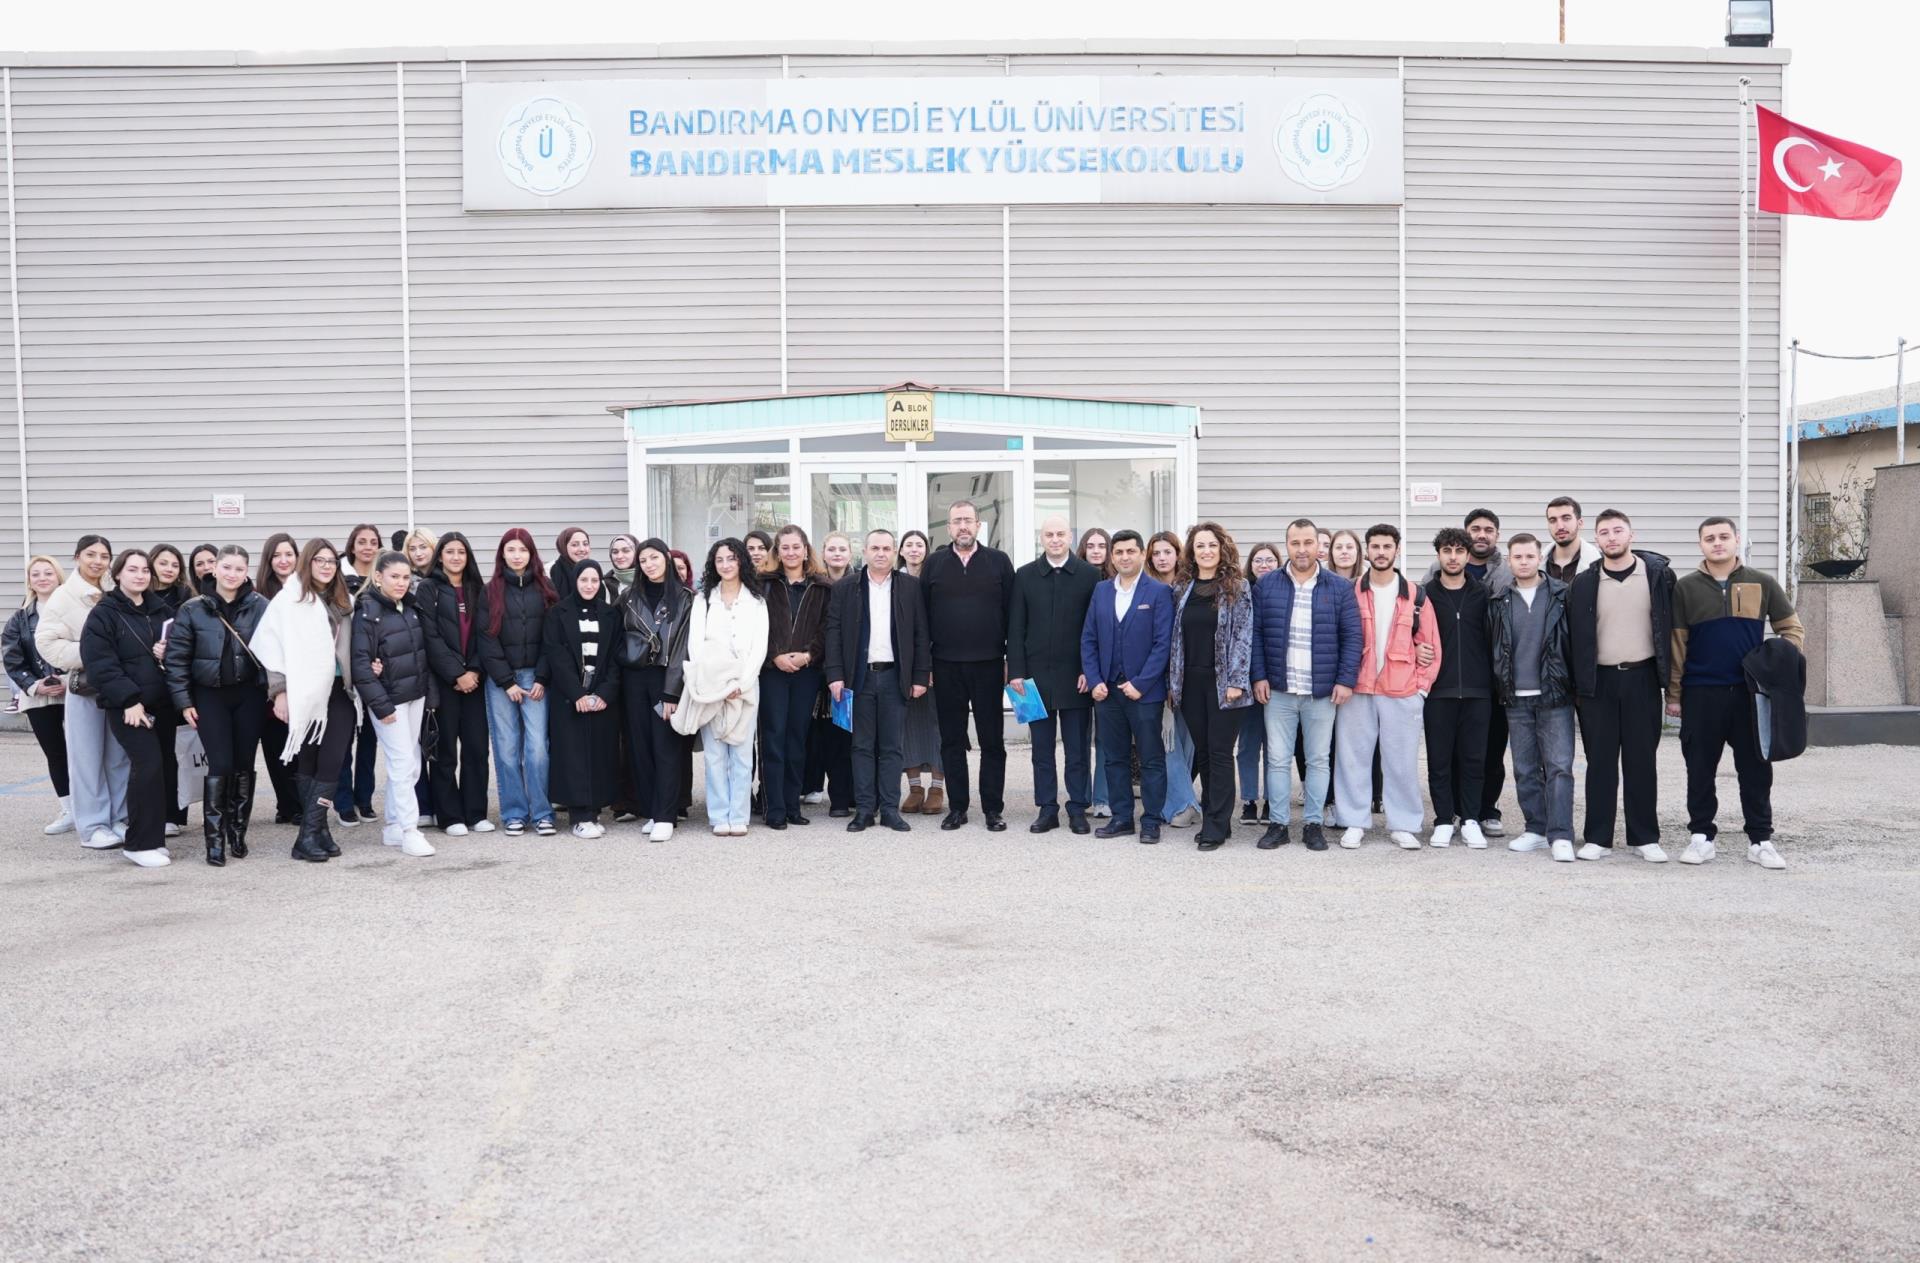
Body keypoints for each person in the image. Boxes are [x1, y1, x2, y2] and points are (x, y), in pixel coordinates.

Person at [1669, 516, 1804, 870]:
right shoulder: (1685, 588)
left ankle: (1760, 841)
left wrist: (1777, 664)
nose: (1717, 543)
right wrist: (1674, 694)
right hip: (1701, 693)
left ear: (1736, 539)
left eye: (1723, 536)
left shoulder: (1762, 582)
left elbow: (1791, 629)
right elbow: (1678, 645)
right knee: (1699, 769)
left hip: (1750, 695)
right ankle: (1701, 837)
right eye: (1709, 538)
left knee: (1756, 769)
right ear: (1700, 544)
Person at [1566, 509, 1676, 863]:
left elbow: (1673, 629)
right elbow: (1573, 639)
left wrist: (1673, 684)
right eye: (1604, 532)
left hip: (1643, 678)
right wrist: (1578, 686)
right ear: (1596, 539)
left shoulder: (1658, 576)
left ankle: (1645, 837)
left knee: (1641, 760)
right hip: (1598, 682)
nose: (1611, 537)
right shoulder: (1584, 583)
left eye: (1617, 530)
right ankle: (1597, 837)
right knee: (1600, 762)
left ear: (1631, 535)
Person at [1250, 519, 1362, 852]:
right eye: (1295, 543)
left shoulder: (1338, 587)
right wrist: (1258, 676)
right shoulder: (1266, 585)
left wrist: (1345, 680)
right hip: (1279, 690)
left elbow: (1352, 637)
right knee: (1277, 760)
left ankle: (1313, 824)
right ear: (1287, 545)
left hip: (1321, 691)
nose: (1301, 549)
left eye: (1307, 542)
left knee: (1318, 760)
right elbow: (1255, 635)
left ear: (1318, 546)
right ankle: (1278, 825)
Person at [1334, 524, 1441, 850]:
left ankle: (1404, 824)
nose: (1381, 552)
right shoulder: (1350, 591)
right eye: (1375, 546)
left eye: (1387, 546)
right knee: (1352, 758)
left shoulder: (1416, 595)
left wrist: (1420, 690)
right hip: (1358, 688)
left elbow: (1431, 646)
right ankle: (1354, 821)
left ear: (1397, 550)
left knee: (1402, 761)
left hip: (1402, 691)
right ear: (1367, 551)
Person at [251, 538, 356, 863]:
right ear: (307, 562)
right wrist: (279, 692)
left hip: (338, 690)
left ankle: (314, 830)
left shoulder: (342, 600)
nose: (326, 566)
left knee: (332, 760)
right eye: (319, 560)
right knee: (309, 760)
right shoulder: (290, 599)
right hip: (305, 691)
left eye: (331, 561)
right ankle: (311, 834)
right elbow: (271, 647)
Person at [163, 544, 268, 866]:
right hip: (209, 695)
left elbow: (274, 653)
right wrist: (183, 701)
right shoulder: (193, 608)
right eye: (226, 567)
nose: (232, 574)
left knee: (243, 764)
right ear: (215, 569)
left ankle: (238, 832)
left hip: (249, 695)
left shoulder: (261, 606)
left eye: (239, 569)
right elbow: (177, 658)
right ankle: (215, 839)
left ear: (246, 572)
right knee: (220, 764)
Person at [922, 500, 1017, 832]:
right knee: (951, 741)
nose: (962, 526)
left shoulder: (999, 562)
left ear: (978, 525)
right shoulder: (934, 564)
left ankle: (992, 808)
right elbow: (922, 619)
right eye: (956, 521)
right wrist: (925, 665)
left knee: (992, 741)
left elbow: (1013, 615)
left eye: (968, 520)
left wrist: (1011, 660)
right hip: (945, 665)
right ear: (948, 528)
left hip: (989, 664)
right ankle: (958, 808)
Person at [827, 529, 930, 833]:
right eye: (875, 548)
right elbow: (833, 632)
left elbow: (921, 633)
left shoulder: (910, 587)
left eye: (886, 548)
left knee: (892, 748)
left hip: (895, 677)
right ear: (865, 551)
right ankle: (863, 810)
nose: (881, 553)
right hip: (858, 678)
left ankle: (889, 810)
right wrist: (835, 674)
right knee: (860, 746)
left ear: (895, 552)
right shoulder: (846, 587)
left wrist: (920, 676)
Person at [79, 549, 177, 868]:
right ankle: (138, 844)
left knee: (160, 768)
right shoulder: (104, 614)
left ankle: (154, 839)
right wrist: (129, 700)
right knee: (147, 765)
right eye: (132, 569)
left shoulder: (161, 611)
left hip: (161, 703)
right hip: (128, 706)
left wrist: (166, 652)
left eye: (145, 570)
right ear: (118, 574)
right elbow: (100, 664)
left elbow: (179, 653)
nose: (140, 575)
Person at [1080, 529, 1175, 843]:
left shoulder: (1158, 592)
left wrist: (1142, 683)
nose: (1124, 557)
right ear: (1112, 556)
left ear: (1142, 554)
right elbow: (1088, 639)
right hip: (1107, 691)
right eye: (1118, 552)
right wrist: (1095, 680)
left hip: (1144, 693)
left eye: (1130, 551)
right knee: (1114, 757)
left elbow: (1163, 644)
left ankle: (1151, 820)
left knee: (1151, 758)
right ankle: (1122, 817)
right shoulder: (1101, 591)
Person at [1423, 508, 1513, 839]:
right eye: (1447, 550)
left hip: (1479, 691)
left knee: (1475, 759)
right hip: (1439, 691)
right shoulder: (1426, 596)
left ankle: (1471, 819)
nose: (1453, 556)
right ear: (1439, 555)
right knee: (1440, 760)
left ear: (1466, 554)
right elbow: (1413, 635)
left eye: (1459, 550)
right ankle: (1444, 820)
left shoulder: (1483, 595)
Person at [1008, 515, 1100, 834]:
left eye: (1061, 534)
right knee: (1041, 750)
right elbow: (1015, 627)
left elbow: (1095, 628)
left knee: (1077, 750)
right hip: (1033, 680)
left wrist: (1090, 671)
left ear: (1070, 537)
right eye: (1049, 534)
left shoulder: (1090, 575)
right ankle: (1047, 808)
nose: (1055, 539)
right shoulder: (1025, 575)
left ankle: (1078, 808)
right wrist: (1016, 672)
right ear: (1042, 539)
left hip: (1077, 678)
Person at [38, 535, 130, 851]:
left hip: (117, 687)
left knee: (118, 757)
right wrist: (92, 654)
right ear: (77, 557)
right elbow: (46, 642)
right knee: (87, 759)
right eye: (91, 554)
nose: (97, 561)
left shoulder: (113, 592)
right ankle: (92, 826)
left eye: (104, 556)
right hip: (85, 687)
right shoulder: (63, 596)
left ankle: (118, 818)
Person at [1489, 534, 1577, 861]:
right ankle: (1536, 829)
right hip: (1516, 696)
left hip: (1554, 694)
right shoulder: (1498, 600)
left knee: (1559, 767)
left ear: (1540, 558)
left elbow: (1574, 643)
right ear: (1509, 560)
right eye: (1518, 557)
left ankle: (1561, 834)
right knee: (1525, 768)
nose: (1524, 562)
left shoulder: (1562, 595)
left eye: (1529, 556)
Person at [672, 539, 768, 836]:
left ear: (741, 562)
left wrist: (743, 682)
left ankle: (738, 815)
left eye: (731, 558)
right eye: (720, 560)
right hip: (710, 686)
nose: (726, 565)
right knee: (714, 755)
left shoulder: (756, 600)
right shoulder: (703, 600)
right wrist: (711, 682)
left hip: (744, 686)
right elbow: (695, 645)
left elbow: (759, 646)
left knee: (741, 753)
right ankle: (718, 815)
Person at [1170, 522, 1254, 850]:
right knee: (1203, 754)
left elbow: (1243, 636)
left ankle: (1215, 827)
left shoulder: (1237, 587)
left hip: (1224, 685)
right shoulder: (1182, 588)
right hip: (1190, 683)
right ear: (1192, 552)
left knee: (1220, 753)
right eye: (1200, 546)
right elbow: (1175, 639)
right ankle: (1215, 819)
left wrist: (1237, 680)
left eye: (1212, 545)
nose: (1206, 551)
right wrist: (1173, 683)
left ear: (1222, 549)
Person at [352, 550, 435, 857]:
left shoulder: (410, 607)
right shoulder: (367, 611)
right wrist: (381, 705)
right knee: (402, 764)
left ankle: (393, 827)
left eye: (406, 577)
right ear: (378, 577)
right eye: (394, 577)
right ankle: (410, 831)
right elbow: (361, 664)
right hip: (389, 701)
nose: (401, 583)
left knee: (410, 763)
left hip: (415, 696)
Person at [481, 528, 558, 837]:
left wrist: (542, 676)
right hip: (502, 681)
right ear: (502, 554)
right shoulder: (490, 591)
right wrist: (506, 681)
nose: (516, 555)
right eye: (510, 550)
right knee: (507, 747)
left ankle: (542, 813)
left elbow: (553, 638)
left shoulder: (546, 588)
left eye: (522, 550)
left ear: (531, 553)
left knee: (538, 747)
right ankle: (514, 812)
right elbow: (486, 639)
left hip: (536, 678)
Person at [616, 538, 693, 842]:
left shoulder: (686, 598)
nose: (649, 564)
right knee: (640, 747)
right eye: (643, 560)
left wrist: (672, 692)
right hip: (634, 678)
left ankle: (666, 815)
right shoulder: (628, 597)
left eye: (654, 558)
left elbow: (683, 648)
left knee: (666, 747)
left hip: (667, 678)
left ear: (666, 559)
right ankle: (651, 810)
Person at [540, 558, 621, 838]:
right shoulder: (558, 613)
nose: (589, 585)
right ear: (575, 581)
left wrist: (604, 693)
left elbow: (616, 658)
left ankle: (594, 812)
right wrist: (577, 693)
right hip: (570, 697)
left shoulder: (610, 614)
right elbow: (557, 656)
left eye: (594, 580)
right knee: (572, 755)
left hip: (601, 698)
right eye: (584, 580)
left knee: (599, 754)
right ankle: (579, 817)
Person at [759, 524, 831, 830]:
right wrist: (775, 655)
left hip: (806, 671)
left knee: (797, 738)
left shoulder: (822, 587)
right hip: (771, 671)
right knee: (773, 737)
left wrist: (808, 655)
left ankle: (792, 805)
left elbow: (827, 629)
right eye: (784, 547)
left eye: (795, 547)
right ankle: (774, 808)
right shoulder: (763, 584)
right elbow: (756, 627)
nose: (790, 552)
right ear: (777, 551)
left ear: (805, 550)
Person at [423, 531, 493, 838]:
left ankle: (476, 812)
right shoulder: (428, 588)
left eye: (461, 552)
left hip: (476, 681)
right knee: (445, 750)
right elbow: (430, 636)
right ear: (440, 556)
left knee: (477, 748)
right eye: (449, 551)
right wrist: (456, 674)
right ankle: (450, 815)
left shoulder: (478, 589)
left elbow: (486, 633)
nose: (455, 557)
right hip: (445, 683)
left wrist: (474, 670)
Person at [6, 555, 73, 834]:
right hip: (37, 695)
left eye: (48, 572)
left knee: (85, 753)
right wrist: (35, 685)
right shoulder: (20, 618)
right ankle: (69, 809)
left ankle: (94, 807)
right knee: (55, 753)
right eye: (36, 574)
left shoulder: (74, 611)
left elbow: (88, 648)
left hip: (75, 690)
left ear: (58, 577)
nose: (43, 578)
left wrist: (69, 680)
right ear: (29, 581)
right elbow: (12, 657)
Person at [1145, 530, 1201, 828]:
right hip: (1157, 677)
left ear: (1178, 554)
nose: (1162, 558)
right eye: (1156, 553)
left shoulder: (1189, 587)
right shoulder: (1146, 588)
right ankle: (1184, 803)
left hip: (1190, 675)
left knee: (1187, 742)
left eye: (1167, 552)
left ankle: (1179, 804)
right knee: (1168, 742)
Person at [802, 531, 856, 816]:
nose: (837, 554)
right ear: (823, 553)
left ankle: (848, 794)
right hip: (816, 668)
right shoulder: (815, 585)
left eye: (842, 549)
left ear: (850, 554)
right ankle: (816, 787)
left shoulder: (860, 583)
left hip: (849, 670)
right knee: (819, 734)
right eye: (832, 549)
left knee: (846, 735)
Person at [334, 522, 385, 825]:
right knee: (343, 740)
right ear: (352, 545)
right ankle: (343, 802)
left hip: (375, 669)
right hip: (343, 671)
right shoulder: (338, 579)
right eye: (362, 541)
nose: (367, 547)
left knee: (369, 739)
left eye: (373, 542)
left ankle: (364, 799)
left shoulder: (383, 577)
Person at [895, 529, 946, 817]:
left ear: (926, 550)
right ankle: (915, 788)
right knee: (908, 726)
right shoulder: (893, 581)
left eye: (919, 545)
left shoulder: (935, 579)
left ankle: (937, 788)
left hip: (935, 664)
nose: (914, 549)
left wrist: (928, 666)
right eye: (909, 545)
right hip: (902, 666)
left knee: (939, 725)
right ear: (901, 551)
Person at [254, 532, 303, 823]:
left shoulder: (306, 590)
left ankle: (301, 802)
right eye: (277, 556)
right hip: (269, 684)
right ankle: (287, 804)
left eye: (289, 554)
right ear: (268, 561)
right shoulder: (259, 595)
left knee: (302, 747)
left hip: (303, 680)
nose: (283, 560)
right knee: (276, 746)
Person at [1236, 541, 1281, 824]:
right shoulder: (1242, 593)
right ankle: (1249, 799)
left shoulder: (1284, 591)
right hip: (1246, 679)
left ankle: (1272, 800)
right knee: (1248, 744)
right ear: (1250, 565)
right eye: (1258, 560)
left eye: (1269, 560)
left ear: (1278, 563)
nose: (1264, 565)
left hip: (1276, 679)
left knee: (1274, 746)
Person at [1075, 527, 1116, 818]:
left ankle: (1103, 797)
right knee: (1079, 738)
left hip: (1108, 671)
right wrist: (1083, 669)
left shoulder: (1117, 583)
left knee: (1106, 739)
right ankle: (1082, 796)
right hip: (1079, 669)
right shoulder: (1075, 579)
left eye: (1102, 545)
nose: (1097, 551)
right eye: (1091, 546)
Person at [1543, 496, 1603, 585]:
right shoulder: (1537, 565)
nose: (1560, 526)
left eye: (1566, 518)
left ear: (1580, 523)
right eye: (1553, 520)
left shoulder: (1601, 564)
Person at [148, 545, 194, 614]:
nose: (169, 569)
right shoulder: (139, 594)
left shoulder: (187, 595)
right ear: (150, 564)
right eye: (163, 564)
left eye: (175, 566)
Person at [549, 527, 593, 596]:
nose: (582, 549)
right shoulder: (550, 571)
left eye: (585, 544)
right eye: (574, 545)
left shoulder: (594, 571)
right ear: (564, 547)